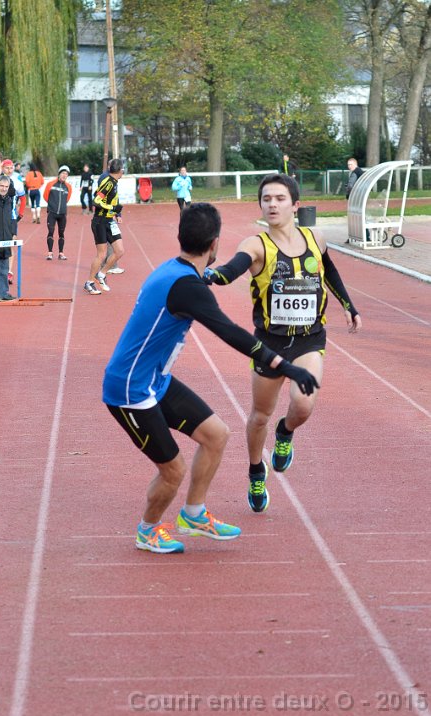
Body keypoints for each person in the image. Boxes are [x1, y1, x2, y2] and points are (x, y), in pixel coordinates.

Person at [102, 202, 318, 554]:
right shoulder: (187, 287)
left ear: (182, 237)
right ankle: (148, 531)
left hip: (155, 380)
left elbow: (198, 286)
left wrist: (210, 277)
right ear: (215, 243)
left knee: (216, 435)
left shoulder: (175, 270)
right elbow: (230, 333)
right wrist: (285, 366)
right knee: (173, 470)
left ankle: (193, 514)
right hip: (130, 390)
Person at [204, 173, 361, 513]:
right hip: (269, 344)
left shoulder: (315, 238)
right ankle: (256, 472)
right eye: (266, 199)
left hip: (309, 339)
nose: (272, 205)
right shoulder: (256, 245)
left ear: (295, 205)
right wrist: (213, 275)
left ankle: (286, 432)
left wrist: (349, 305)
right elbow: (233, 269)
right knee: (260, 415)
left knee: (303, 405)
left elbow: (329, 271)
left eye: (279, 199)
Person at [84, 159, 125, 294]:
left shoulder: (114, 182)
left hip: (109, 221)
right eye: (123, 169)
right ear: (119, 170)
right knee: (101, 255)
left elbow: (111, 200)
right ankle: (89, 283)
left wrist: (117, 212)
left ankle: (101, 274)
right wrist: (111, 208)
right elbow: (96, 201)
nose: (123, 171)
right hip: (100, 222)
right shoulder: (108, 182)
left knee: (119, 251)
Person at [1, 159, 26, 284]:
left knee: (11, 243)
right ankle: (1, 270)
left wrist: (20, 213)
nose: (9, 170)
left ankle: (9, 272)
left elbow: (23, 198)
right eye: (6, 168)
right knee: (0, 244)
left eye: (11, 167)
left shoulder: (17, 181)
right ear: (2, 168)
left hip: (12, 218)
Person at [43, 165, 72, 260]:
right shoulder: (50, 184)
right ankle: (50, 253)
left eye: (66, 174)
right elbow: (45, 196)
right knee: (51, 231)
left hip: (62, 214)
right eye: (63, 173)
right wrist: (52, 205)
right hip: (52, 212)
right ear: (59, 174)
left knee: (61, 233)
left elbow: (67, 199)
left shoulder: (68, 187)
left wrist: (61, 207)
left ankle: (61, 253)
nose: (64, 175)